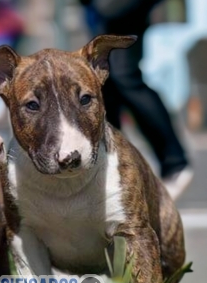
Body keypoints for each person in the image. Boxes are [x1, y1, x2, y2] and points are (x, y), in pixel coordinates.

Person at [81, 0, 193, 200]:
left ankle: (174, 162)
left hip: (115, 9)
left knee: (124, 76)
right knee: (108, 81)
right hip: (106, 12)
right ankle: (110, 166)